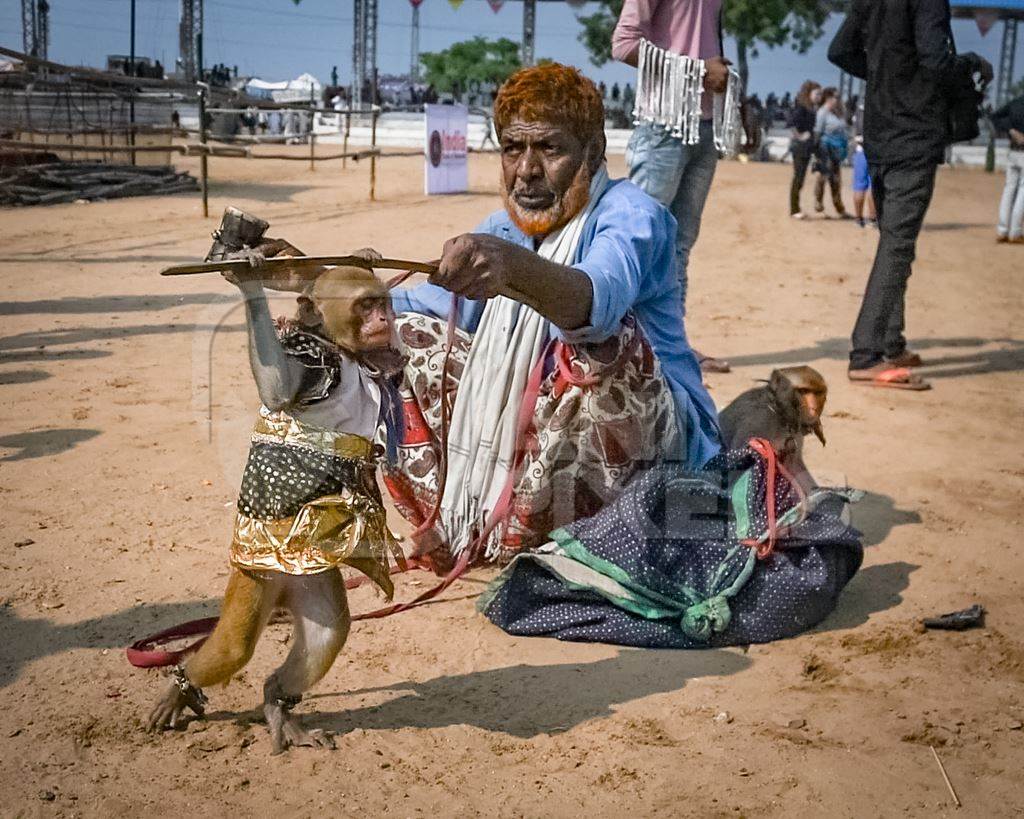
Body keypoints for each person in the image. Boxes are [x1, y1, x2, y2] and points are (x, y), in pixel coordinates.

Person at [386, 63, 721, 566]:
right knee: (395, 337)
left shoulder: (632, 216)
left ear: (592, 152)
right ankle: (473, 523)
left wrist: (515, 271)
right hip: (544, 443)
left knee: (598, 351)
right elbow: (415, 309)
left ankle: (594, 536)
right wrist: (318, 285)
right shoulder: (502, 231)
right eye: (513, 149)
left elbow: (598, 302)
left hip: (664, 457)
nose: (526, 170)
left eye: (549, 148)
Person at [829, 0, 991, 389]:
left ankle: (890, 342)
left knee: (893, 241)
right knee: (898, 245)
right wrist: (969, 65)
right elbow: (936, 61)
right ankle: (866, 354)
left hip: (881, 133)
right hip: (915, 134)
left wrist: (889, 75)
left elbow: (839, 51)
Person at [611, 0, 732, 373]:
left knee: (679, 243)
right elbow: (623, 44)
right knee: (641, 238)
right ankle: (625, 345)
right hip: (664, 124)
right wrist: (698, 73)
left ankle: (668, 346)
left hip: (705, 124)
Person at [992, 92, 1024, 244]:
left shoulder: (1016, 103)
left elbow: (995, 116)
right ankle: (1015, 233)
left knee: (1009, 190)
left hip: (1012, 151)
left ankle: (1002, 230)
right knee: (1022, 193)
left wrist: (1011, 130)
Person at [812, 88, 849, 218]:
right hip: (825, 148)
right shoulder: (823, 112)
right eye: (836, 97)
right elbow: (817, 132)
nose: (838, 100)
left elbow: (844, 131)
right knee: (823, 176)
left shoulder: (839, 113)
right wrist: (816, 151)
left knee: (836, 179)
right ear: (828, 98)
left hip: (837, 149)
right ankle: (818, 203)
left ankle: (839, 207)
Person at [789, 80, 821, 219]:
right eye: (817, 93)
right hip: (800, 148)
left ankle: (796, 208)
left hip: (807, 148)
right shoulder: (802, 107)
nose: (819, 96)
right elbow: (791, 123)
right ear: (809, 94)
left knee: (800, 177)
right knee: (798, 177)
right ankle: (794, 209)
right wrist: (800, 136)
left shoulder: (812, 108)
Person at [851, 137, 876, 228]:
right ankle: (872, 220)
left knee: (859, 186)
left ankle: (858, 219)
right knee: (873, 185)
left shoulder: (859, 121)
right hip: (876, 151)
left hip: (861, 151)